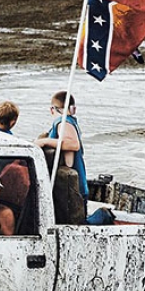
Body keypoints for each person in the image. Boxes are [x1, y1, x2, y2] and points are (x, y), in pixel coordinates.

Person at [35, 91, 88, 224]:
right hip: (76, 183)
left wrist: (45, 142)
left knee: (77, 223)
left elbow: (73, 144)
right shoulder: (70, 121)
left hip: (73, 187)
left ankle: (103, 216)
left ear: (52, 109)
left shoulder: (62, 122)